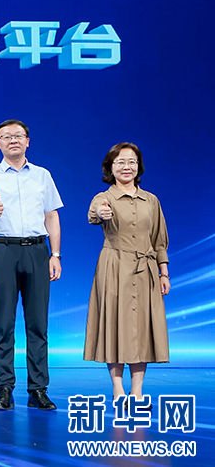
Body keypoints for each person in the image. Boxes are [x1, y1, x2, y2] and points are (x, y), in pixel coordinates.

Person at [0, 119, 62, 411]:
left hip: (37, 250)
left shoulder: (42, 175)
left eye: (18, 136)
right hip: (3, 250)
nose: (13, 140)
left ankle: (38, 389)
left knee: (38, 324)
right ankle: (4, 388)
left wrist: (55, 254)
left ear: (28, 141)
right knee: (3, 323)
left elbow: (51, 215)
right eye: (6, 137)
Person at [84, 143, 169, 409]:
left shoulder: (151, 200)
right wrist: (101, 213)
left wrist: (164, 272)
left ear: (138, 167)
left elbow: (159, 240)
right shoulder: (104, 197)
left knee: (142, 329)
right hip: (115, 267)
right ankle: (118, 388)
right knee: (115, 325)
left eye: (132, 162)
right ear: (110, 167)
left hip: (146, 269)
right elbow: (94, 214)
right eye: (120, 162)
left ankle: (138, 391)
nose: (126, 167)